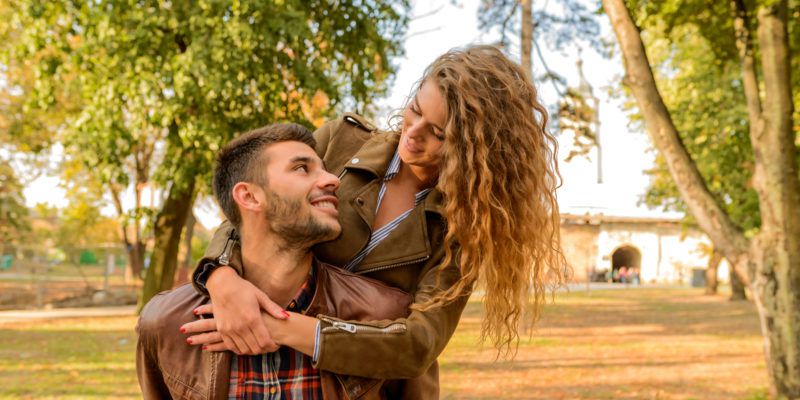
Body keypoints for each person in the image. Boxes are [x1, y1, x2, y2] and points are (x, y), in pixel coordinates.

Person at [184, 45, 567, 396]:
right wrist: (220, 277)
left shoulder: (464, 231)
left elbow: (418, 344)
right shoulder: (341, 141)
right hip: (267, 368)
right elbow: (255, 204)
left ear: (475, 151)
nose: (412, 134)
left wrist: (285, 327)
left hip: (373, 389)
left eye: (438, 134)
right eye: (415, 110)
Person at [136, 123, 414, 399]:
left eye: (324, 168)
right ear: (249, 196)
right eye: (302, 168)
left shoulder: (385, 317)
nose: (333, 180)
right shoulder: (165, 324)